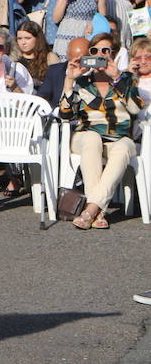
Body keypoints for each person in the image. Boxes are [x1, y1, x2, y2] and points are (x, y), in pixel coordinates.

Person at [58, 32, 146, 229]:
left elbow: (135, 109)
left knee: (123, 148)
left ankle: (92, 210)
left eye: (105, 51)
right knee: (92, 139)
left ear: (113, 55)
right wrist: (69, 80)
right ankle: (97, 209)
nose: (99, 54)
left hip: (119, 136)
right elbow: (65, 116)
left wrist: (117, 77)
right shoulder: (82, 81)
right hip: (86, 135)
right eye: (94, 50)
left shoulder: (126, 79)